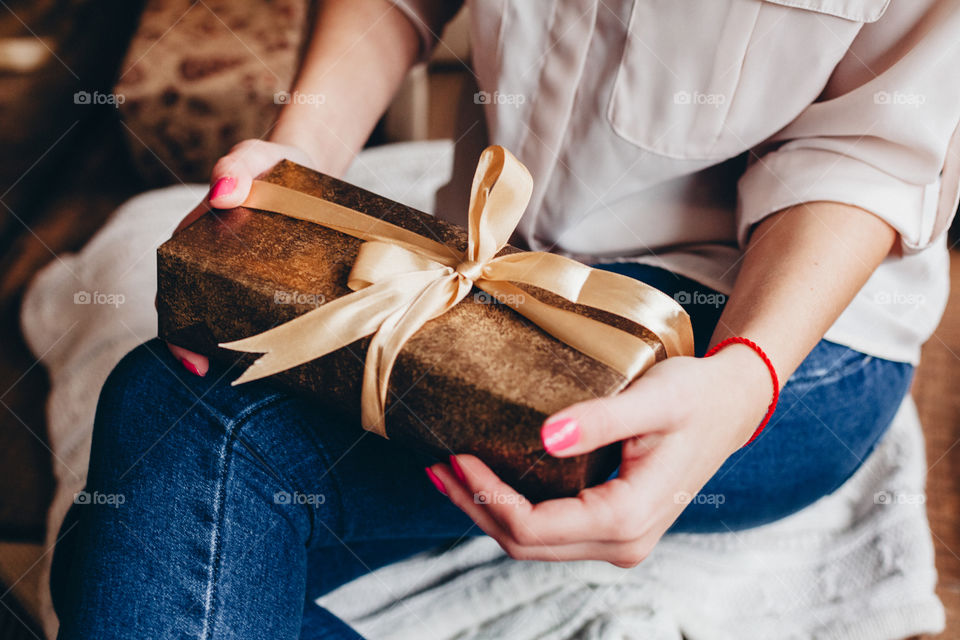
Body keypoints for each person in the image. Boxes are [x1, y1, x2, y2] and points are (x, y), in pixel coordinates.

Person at [51, 1, 960, 638]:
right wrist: (304, 160)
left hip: (775, 322)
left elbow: (867, 153)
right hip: (504, 262)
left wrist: (745, 378)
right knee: (140, 528)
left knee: (186, 447)